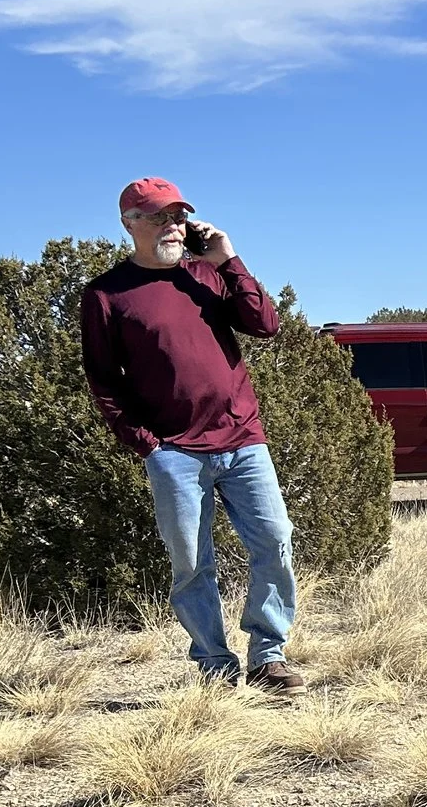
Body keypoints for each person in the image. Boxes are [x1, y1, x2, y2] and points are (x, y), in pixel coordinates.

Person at [78, 178, 303, 693]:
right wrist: (146, 444)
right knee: (191, 565)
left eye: (179, 216)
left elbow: (265, 325)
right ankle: (214, 666)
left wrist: (229, 259)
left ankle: (268, 656)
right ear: (129, 224)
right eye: (159, 217)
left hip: (242, 440)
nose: (173, 226)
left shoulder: (207, 275)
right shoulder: (107, 294)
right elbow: (103, 379)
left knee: (274, 541)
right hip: (174, 452)